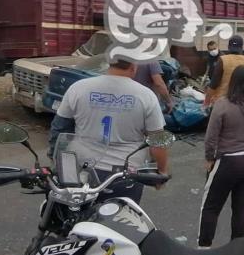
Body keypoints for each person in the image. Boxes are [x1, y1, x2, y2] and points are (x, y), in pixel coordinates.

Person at [49, 58, 169, 203]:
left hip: (80, 169)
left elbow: (59, 127)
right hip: (124, 174)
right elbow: (158, 141)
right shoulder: (146, 95)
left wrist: (56, 159)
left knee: (73, 217)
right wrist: (161, 172)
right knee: (120, 220)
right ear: (133, 65)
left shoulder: (79, 87)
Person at [198, 66, 244, 247]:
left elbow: (211, 136)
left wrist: (209, 157)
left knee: (211, 207)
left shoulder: (223, 104)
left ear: (233, 82)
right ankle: (236, 248)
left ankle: (204, 248)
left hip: (228, 162)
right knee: (241, 208)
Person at [205, 35, 244, 106]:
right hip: (243, 102)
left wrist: (206, 102)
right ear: (241, 47)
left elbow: (213, 84)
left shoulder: (223, 60)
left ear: (228, 47)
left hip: (222, 102)